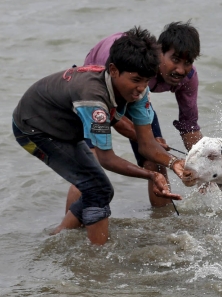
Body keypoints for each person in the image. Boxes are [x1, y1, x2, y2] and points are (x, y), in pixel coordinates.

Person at [12, 27, 184, 245]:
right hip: (33, 130)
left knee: (97, 188)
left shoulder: (139, 91)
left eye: (146, 81)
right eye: (135, 80)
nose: (140, 89)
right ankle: (96, 259)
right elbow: (106, 158)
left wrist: (175, 163)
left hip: (67, 124)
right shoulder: (93, 98)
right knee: (97, 187)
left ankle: (60, 238)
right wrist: (150, 175)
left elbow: (147, 144)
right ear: (113, 70)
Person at [66, 21, 203, 210]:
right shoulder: (127, 64)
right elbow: (112, 116)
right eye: (175, 60)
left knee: (156, 160)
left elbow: (189, 127)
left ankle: (162, 224)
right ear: (159, 52)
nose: (180, 70)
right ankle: (71, 233)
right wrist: (147, 140)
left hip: (135, 94)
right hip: (98, 91)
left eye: (187, 63)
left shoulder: (187, 79)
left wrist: (203, 165)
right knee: (91, 164)